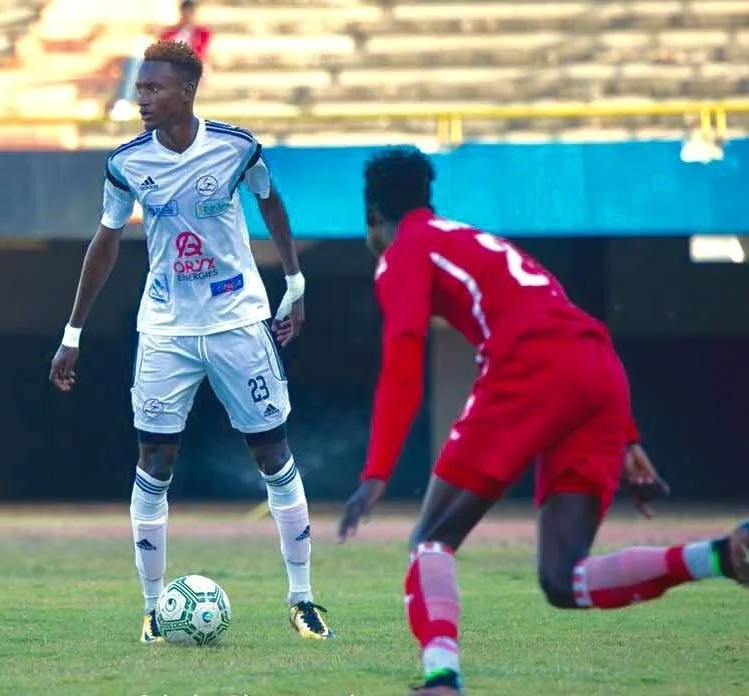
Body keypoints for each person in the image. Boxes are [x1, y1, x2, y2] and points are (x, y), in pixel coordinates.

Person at [336, 147, 749, 694]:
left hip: (529, 369)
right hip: (598, 369)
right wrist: (626, 435)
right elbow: (568, 325)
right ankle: (721, 556)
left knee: (431, 541)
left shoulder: (404, 250)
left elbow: (404, 355)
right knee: (563, 579)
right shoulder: (472, 238)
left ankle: (441, 677)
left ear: (371, 216)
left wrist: (376, 472)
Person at [50, 40, 334, 643]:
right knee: (155, 462)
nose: (142, 99)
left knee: (272, 454)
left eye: (153, 89)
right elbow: (104, 245)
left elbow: (271, 201)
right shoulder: (127, 163)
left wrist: (295, 282)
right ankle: (153, 611)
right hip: (165, 330)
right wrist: (73, 332)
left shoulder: (236, 147)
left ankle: (303, 600)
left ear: (187, 91)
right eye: (140, 88)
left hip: (238, 322)